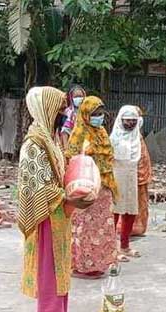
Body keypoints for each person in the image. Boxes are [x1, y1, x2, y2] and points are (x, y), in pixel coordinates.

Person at [18, 86, 92, 312]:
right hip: (46, 214)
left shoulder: (49, 138)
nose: (65, 112)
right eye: (60, 108)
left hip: (58, 211)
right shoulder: (34, 144)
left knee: (61, 266)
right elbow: (38, 186)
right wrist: (68, 197)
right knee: (50, 269)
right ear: (47, 109)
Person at [66, 96, 119, 279]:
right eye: (95, 114)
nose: (99, 117)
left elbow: (109, 157)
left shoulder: (102, 132)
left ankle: (100, 263)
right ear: (86, 115)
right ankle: (81, 265)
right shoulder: (79, 133)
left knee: (102, 226)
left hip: (104, 186)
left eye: (101, 113)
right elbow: (72, 159)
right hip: (86, 187)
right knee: (85, 226)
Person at [110, 105, 144, 260]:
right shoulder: (113, 138)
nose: (130, 123)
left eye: (133, 121)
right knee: (115, 211)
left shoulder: (136, 137)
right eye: (127, 120)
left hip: (131, 176)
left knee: (130, 211)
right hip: (117, 174)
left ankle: (125, 246)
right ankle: (111, 249)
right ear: (120, 120)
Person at [132, 113, 153, 236]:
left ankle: (139, 228)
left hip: (142, 176)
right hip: (128, 177)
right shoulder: (121, 137)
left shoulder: (138, 137)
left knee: (141, 203)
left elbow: (144, 159)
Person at [59, 85, 87, 149]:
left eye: (80, 96)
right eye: (76, 96)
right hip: (72, 145)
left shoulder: (88, 112)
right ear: (71, 98)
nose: (79, 99)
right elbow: (65, 131)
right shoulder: (69, 113)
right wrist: (66, 148)